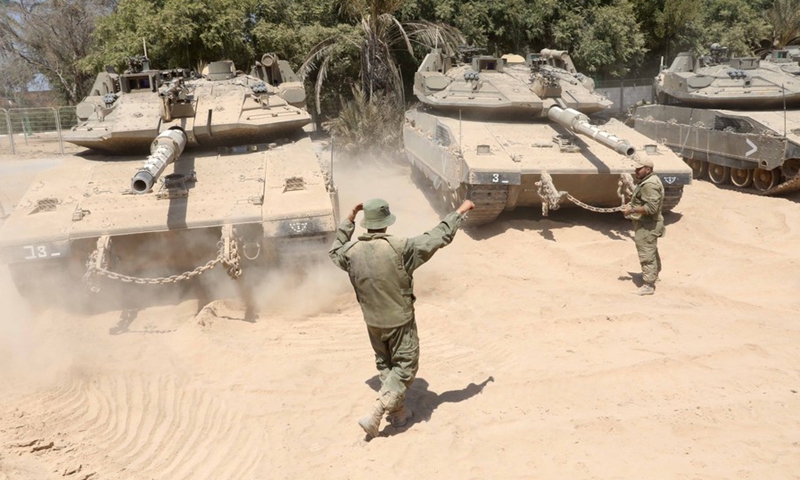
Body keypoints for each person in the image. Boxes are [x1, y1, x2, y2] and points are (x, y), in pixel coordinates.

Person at [329, 197, 475, 438]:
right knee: (406, 367)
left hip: (373, 322)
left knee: (385, 365)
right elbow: (438, 236)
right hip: (400, 321)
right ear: (386, 223)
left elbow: (334, 250)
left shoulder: (350, 252)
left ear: (367, 223)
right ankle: (377, 412)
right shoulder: (402, 248)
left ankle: (398, 414)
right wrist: (460, 211)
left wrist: (350, 219)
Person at [622, 155, 665, 296]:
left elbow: (651, 208)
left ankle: (648, 285)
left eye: (639, 169)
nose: (636, 172)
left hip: (648, 225)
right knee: (651, 250)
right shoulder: (649, 180)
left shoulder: (650, 184)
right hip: (648, 224)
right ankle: (653, 275)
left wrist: (631, 210)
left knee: (646, 252)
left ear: (648, 169)